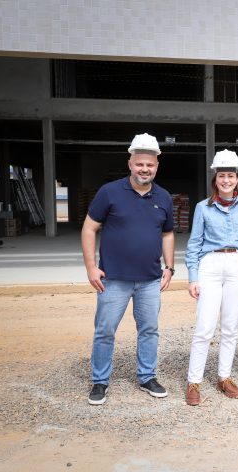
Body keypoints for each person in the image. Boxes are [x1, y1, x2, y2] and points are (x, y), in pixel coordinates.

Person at [81, 133, 174, 405]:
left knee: (149, 330)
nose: (145, 169)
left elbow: (167, 234)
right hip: (113, 279)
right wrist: (90, 267)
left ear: (157, 165)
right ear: (130, 163)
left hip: (149, 280)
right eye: (139, 164)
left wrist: (169, 267)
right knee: (105, 330)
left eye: (150, 165)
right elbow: (89, 227)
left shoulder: (164, 197)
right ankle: (100, 381)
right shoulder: (109, 192)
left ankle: (147, 376)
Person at [184, 150, 238, 406]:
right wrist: (193, 277)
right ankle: (193, 381)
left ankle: (224, 377)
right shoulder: (202, 208)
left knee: (230, 327)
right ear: (215, 179)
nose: (226, 180)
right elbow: (194, 243)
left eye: (231, 175)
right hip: (211, 265)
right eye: (222, 176)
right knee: (204, 327)